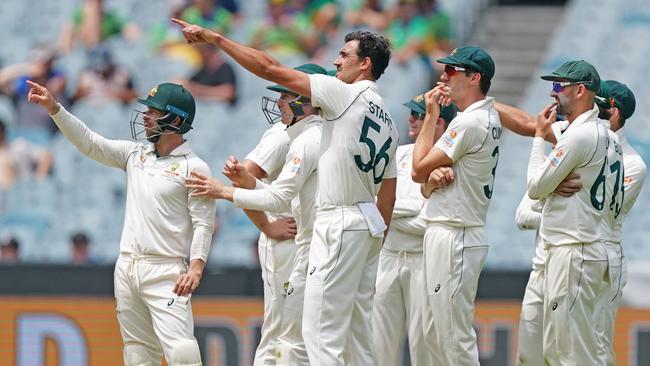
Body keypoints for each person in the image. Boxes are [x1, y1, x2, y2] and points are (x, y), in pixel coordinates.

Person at [173, 19, 397, 365]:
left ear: (365, 63)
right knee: (357, 341)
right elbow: (389, 194)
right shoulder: (389, 120)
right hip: (367, 226)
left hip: (337, 221)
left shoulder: (343, 95)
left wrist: (216, 39)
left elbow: (269, 67)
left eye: (344, 55)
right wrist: (374, 234)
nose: (336, 62)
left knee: (319, 336)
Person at [26, 80, 216, 365]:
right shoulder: (135, 154)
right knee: (138, 352)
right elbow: (89, 142)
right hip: (127, 267)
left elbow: (203, 222)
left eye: (153, 111)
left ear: (176, 119)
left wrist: (197, 266)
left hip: (166, 271)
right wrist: (55, 108)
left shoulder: (194, 167)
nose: (144, 116)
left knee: (181, 351)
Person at [187, 63, 326, 365]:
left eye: (285, 95)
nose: (278, 102)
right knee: (282, 332)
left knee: (305, 332)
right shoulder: (282, 134)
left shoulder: (324, 131)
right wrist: (266, 227)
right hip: (288, 236)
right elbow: (245, 178)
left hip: (312, 238)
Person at [411, 46, 500, 365]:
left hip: (455, 234)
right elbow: (425, 180)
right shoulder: (481, 118)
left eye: (452, 71)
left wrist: (432, 115)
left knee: (452, 338)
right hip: (454, 230)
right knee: (434, 334)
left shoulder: (469, 123)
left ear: (474, 77)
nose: (443, 75)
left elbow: (417, 168)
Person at [525, 60, 613, 365]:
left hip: (573, 250)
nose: (553, 92)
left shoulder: (579, 136)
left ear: (580, 91)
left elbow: (535, 187)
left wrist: (539, 136)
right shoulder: (605, 135)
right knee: (566, 351)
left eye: (559, 86)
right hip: (584, 246)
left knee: (569, 354)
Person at [371, 93, 456, 366]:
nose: (411, 119)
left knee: (424, 347)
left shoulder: (451, 160)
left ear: (439, 123)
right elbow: (375, 206)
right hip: (389, 256)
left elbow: (430, 222)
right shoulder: (399, 153)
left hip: (423, 261)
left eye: (419, 114)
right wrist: (412, 205)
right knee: (377, 346)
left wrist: (390, 212)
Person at [594, 80, 647, 364]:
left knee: (597, 344)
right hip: (576, 252)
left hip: (605, 256)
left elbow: (603, 209)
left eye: (597, 104)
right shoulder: (582, 143)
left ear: (612, 110)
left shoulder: (634, 164)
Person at [71, 46, 137, 105]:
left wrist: (117, 93)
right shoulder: (86, 75)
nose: (101, 70)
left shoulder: (121, 72)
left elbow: (136, 95)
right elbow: (73, 98)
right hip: (91, 111)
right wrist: (82, 92)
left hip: (115, 111)